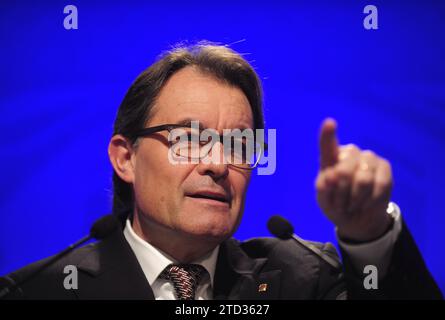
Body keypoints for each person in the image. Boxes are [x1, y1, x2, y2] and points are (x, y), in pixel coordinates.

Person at [1, 42, 442, 300]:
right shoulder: (38, 292)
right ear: (125, 158)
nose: (217, 164)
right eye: (190, 140)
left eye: (237, 144)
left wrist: (368, 233)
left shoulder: (305, 280)